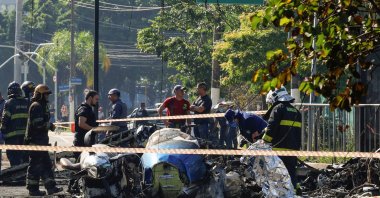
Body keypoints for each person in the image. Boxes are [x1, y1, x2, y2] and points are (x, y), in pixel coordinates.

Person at [24, 84, 63, 196]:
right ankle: (33, 189)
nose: (47, 96)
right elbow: (37, 124)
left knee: (46, 164)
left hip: (41, 142)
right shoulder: (36, 106)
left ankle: (51, 187)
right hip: (34, 142)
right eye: (45, 94)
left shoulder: (41, 105)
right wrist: (49, 125)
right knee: (35, 166)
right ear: (40, 95)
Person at [262, 86, 301, 188]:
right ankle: (295, 191)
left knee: (278, 174)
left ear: (274, 99)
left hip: (278, 149)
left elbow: (272, 127)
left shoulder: (277, 108)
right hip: (292, 150)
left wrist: (264, 141)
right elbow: (298, 134)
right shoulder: (296, 112)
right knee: (291, 172)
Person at [0, 82, 29, 166]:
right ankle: (22, 177)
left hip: (11, 138)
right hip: (24, 137)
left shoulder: (9, 103)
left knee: (14, 160)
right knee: (23, 159)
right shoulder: (26, 102)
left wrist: (3, 131)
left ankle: (15, 177)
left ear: (10, 91)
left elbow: (5, 120)